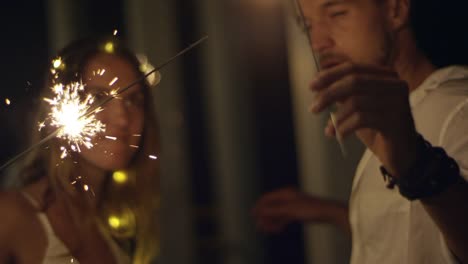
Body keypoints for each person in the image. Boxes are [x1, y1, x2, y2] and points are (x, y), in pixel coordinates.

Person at [254, 0, 468, 263]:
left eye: (337, 13)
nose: (317, 42)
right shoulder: (402, 113)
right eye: (308, 26)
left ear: (396, 10)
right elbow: (404, 243)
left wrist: (416, 164)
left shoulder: (457, 109)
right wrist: (329, 213)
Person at [0, 36, 160, 263]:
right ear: (62, 105)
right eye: (97, 97)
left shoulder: (118, 229)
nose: (123, 118)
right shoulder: (11, 216)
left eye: (133, 100)